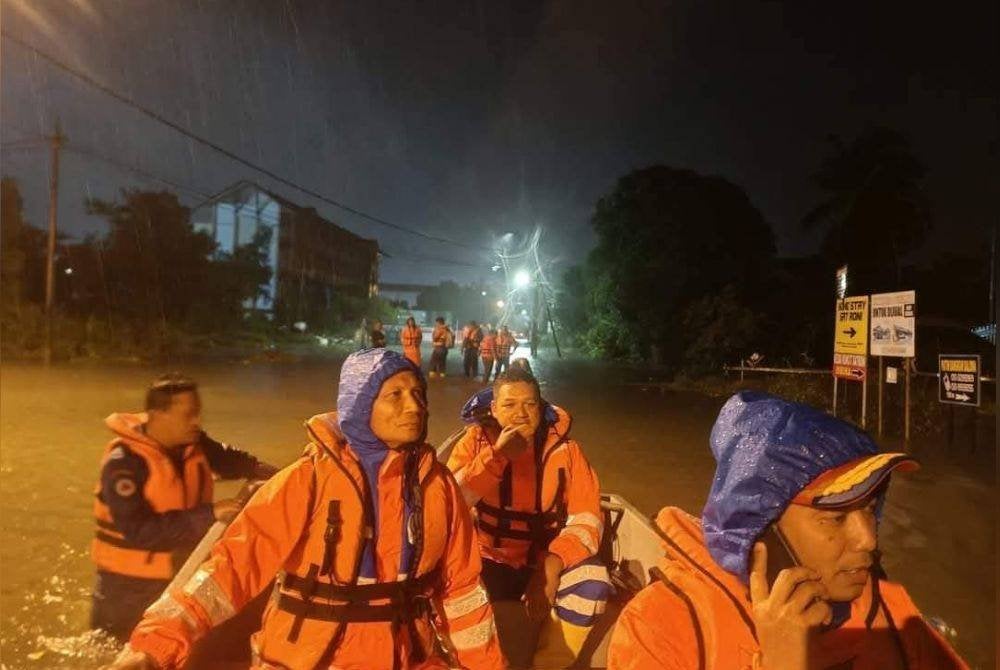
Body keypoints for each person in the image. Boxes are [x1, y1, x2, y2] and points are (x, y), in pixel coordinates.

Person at [110, 350, 505, 670]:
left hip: (407, 658)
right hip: (308, 660)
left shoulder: (438, 489)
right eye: (395, 396)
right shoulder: (305, 481)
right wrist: (153, 645)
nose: (414, 406)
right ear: (360, 406)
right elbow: (230, 569)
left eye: (418, 393)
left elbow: (462, 594)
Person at [607, 390, 969, 670]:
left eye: (870, 509)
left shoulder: (893, 610)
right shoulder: (662, 628)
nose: (869, 539)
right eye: (835, 518)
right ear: (762, 532)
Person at [90, 373, 279, 642]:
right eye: (189, 414)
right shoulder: (124, 464)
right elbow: (139, 531)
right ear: (157, 415)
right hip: (127, 591)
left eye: (198, 413)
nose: (197, 421)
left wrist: (287, 476)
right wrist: (209, 515)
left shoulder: (193, 442)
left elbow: (236, 462)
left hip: (181, 572)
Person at [447, 367, 610, 667]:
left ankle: (548, 663)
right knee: (444, 585)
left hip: (544, 562)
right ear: (494, 408)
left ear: (541, 406)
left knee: (594, 580)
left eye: (530, 404)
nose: (520, 414)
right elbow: (449, 504)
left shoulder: (568, 450)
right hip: (487, 558)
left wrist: (552, 564)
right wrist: (497, 456)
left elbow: (588, 520)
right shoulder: (474, 443)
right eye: (509, 405)